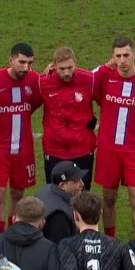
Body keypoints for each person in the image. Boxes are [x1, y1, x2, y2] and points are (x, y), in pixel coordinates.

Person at [0, 43, 43, 234]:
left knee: (18, 195)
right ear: (11, 60)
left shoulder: (34, 80)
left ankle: (13, 235)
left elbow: (36, 103)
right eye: (21, 62)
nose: (26, 68)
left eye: (29, 63)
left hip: (24, 149)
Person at [92, 36, 135, 237]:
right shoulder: (104, 74)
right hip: (108, 149)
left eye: (126, 55)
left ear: (134, 55)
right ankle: (110, 242)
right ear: (113, 57)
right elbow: (85, 81)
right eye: (118, 56)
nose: (122, 60)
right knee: (109, 199)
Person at [39, 47, 96, 190]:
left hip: (82, 149)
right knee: (56, 195)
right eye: (62, 68)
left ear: (75, 63)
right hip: (54, 151)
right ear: (53, 66)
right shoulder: (43, 82)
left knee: (82, 197)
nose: (66, 72)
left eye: (70, 67)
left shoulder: (90, 80)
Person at [35, 161, 86, 244]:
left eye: (81, 179)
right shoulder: (59, 216)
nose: (82, 184)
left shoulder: (46, 190)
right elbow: (59, 250)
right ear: (62, 185)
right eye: (76, 182)